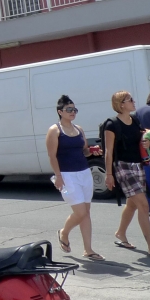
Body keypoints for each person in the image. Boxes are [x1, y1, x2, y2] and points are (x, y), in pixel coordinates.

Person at [104, 90, 150, 259]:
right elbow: (108, 152)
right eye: (130, 99)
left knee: (132, 204)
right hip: (123, 167)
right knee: (143, 205)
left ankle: (120, 233)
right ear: (121, 104)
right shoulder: (111, 124)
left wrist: (148, 141)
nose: (133, 101)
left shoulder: (135, 120)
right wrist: (108, 174)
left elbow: (142, 139)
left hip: (138, 165)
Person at [45, 95, 104, 260]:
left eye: (74, 109)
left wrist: (92, 151)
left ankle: (88, 249)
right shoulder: (54, 130)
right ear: (60, 112)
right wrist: (58, 176)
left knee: (86, 212)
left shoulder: (79, 129)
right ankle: (64, 232)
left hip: (84, 173)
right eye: (69, 109)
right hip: (67, 175)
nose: (73, 112)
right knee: (80, 212)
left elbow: (84, 151)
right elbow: (52, 156)